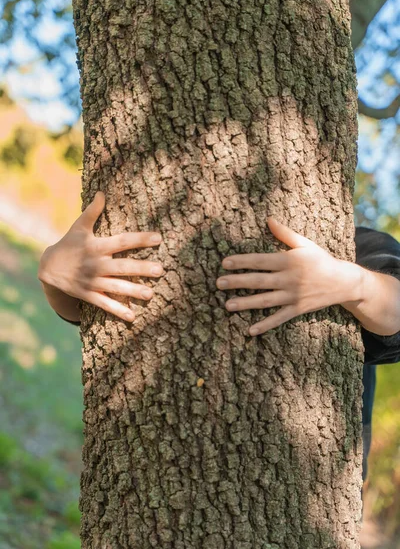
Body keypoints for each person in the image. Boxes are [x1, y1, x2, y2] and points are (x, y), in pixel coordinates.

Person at [38, 191, 400, 483]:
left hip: (303, 483)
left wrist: (353, 282)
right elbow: (103, 312)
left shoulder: (356, 248)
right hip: (147, 462)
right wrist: (53, 275)